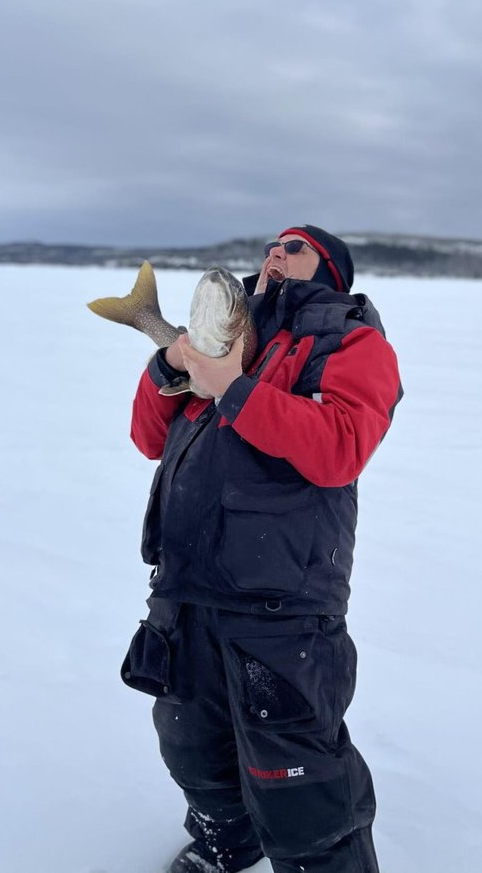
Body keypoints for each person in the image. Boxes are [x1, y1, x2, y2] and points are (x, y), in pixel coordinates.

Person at [126, 225, 402, 873]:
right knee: (191, 745)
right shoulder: (229, 336)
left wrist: (234, 387)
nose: (278, 252)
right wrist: (170, 365)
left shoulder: (351, 341)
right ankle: (229, 840)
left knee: (298, 776)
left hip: (280, 603)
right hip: (187, 589)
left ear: (331, 271)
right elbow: (146, 437)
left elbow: (340, 448)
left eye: (297, 247)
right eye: (273, 245)